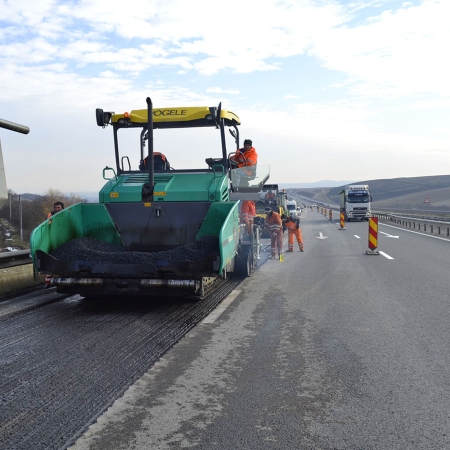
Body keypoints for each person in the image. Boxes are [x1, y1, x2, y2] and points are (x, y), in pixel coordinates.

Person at [44, 202, 65, 289]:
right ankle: (48, 282)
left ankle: (63, 280)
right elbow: (46, 225)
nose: (57, 209)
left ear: (62, 208)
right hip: (52, 240)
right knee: (48, 261)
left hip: (63, 240)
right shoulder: (50, 215)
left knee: (62, 261)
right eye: (55, 207)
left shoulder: (66, 214)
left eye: (58, 207)